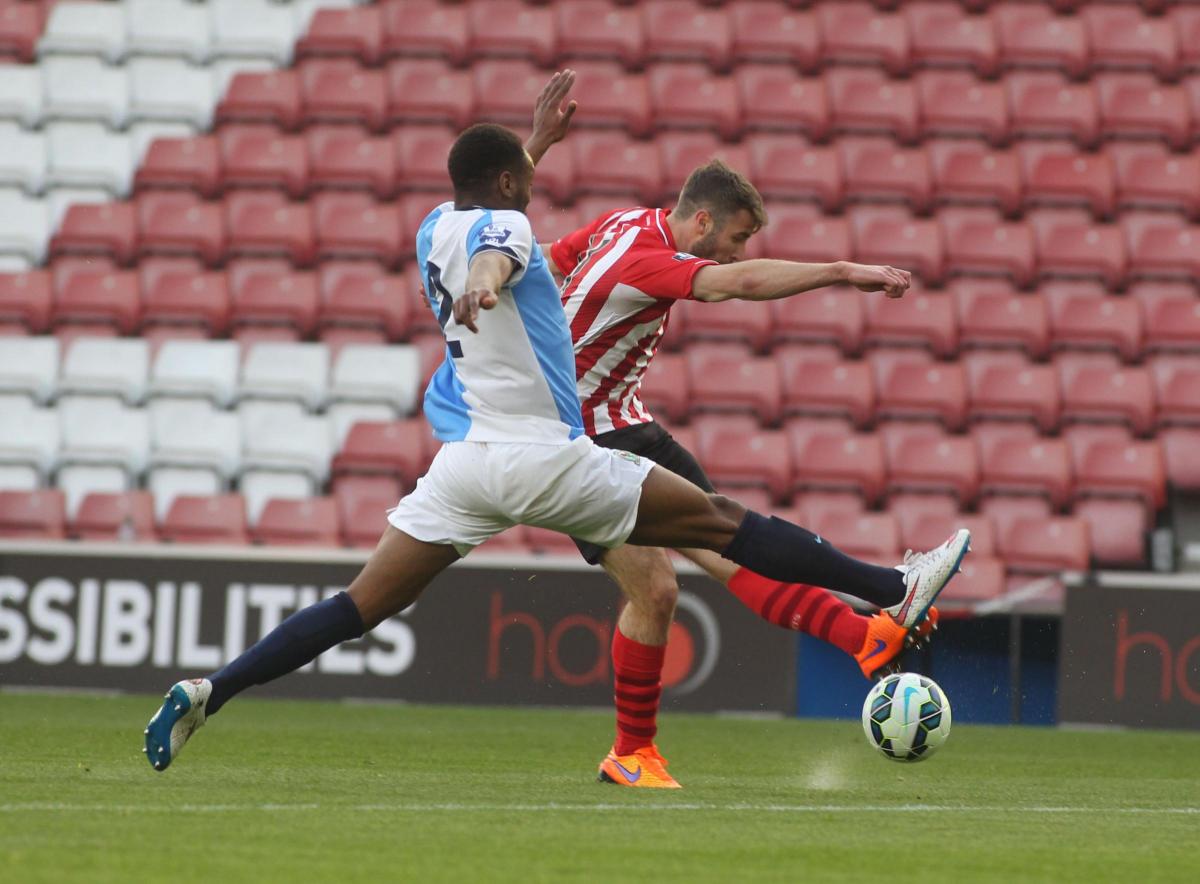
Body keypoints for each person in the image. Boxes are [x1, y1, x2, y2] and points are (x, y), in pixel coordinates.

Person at [144, 72, 969, 779]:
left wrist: (529, 152)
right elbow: (506, 242)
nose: (530, 193)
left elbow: (493, 217)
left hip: (466, 462)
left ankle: (212, 691)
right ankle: (895, 589)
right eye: (525, 179)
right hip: (551, 456)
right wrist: (494, 278)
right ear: (510, 188)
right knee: (725, 529)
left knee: (358, 604)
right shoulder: (511, 234)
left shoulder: (436, 227)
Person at [541, 162, 945, 788]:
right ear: (701, 221)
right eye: (735, 238)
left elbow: (547, 256)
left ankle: (864, 636)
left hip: (626, 423)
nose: (737, 253)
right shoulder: (646, 258)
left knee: (733, 549)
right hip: (574, 443)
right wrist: (841, 271)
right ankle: (631, 754)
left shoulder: (621, 223)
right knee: (657, 589)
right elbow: (739, 285)